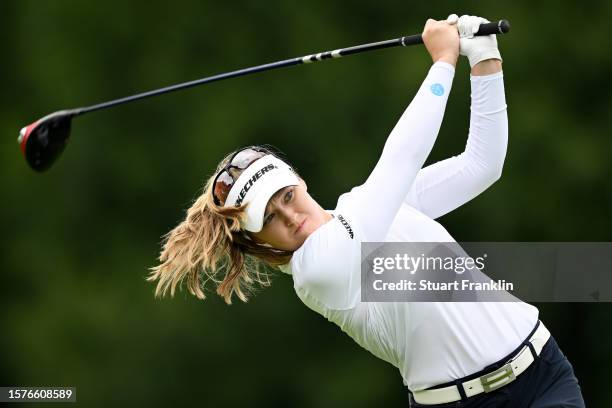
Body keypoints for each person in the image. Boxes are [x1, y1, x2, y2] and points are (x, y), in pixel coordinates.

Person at [147, 15, 586, 407]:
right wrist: (442, 62)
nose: (290, 217)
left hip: (544, 373)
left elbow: (482, 165)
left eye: (285, 197)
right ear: (258, 242)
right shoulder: (317, 272)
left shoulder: (374, 204)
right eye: (270, 221)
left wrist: (484, 60)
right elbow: (399, 158)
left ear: (298, 181)